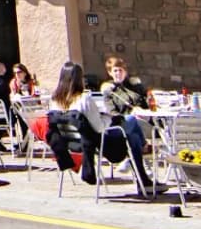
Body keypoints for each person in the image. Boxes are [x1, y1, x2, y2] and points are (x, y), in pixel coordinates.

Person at [45, 60, 153, 191]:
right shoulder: (84, 99)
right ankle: (143, 171)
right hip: (96, 141)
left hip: (72, 142)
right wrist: (110, 119)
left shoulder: (55, 100)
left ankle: (143, 177)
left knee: (133, 136)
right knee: (131, 122)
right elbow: (99, 128)